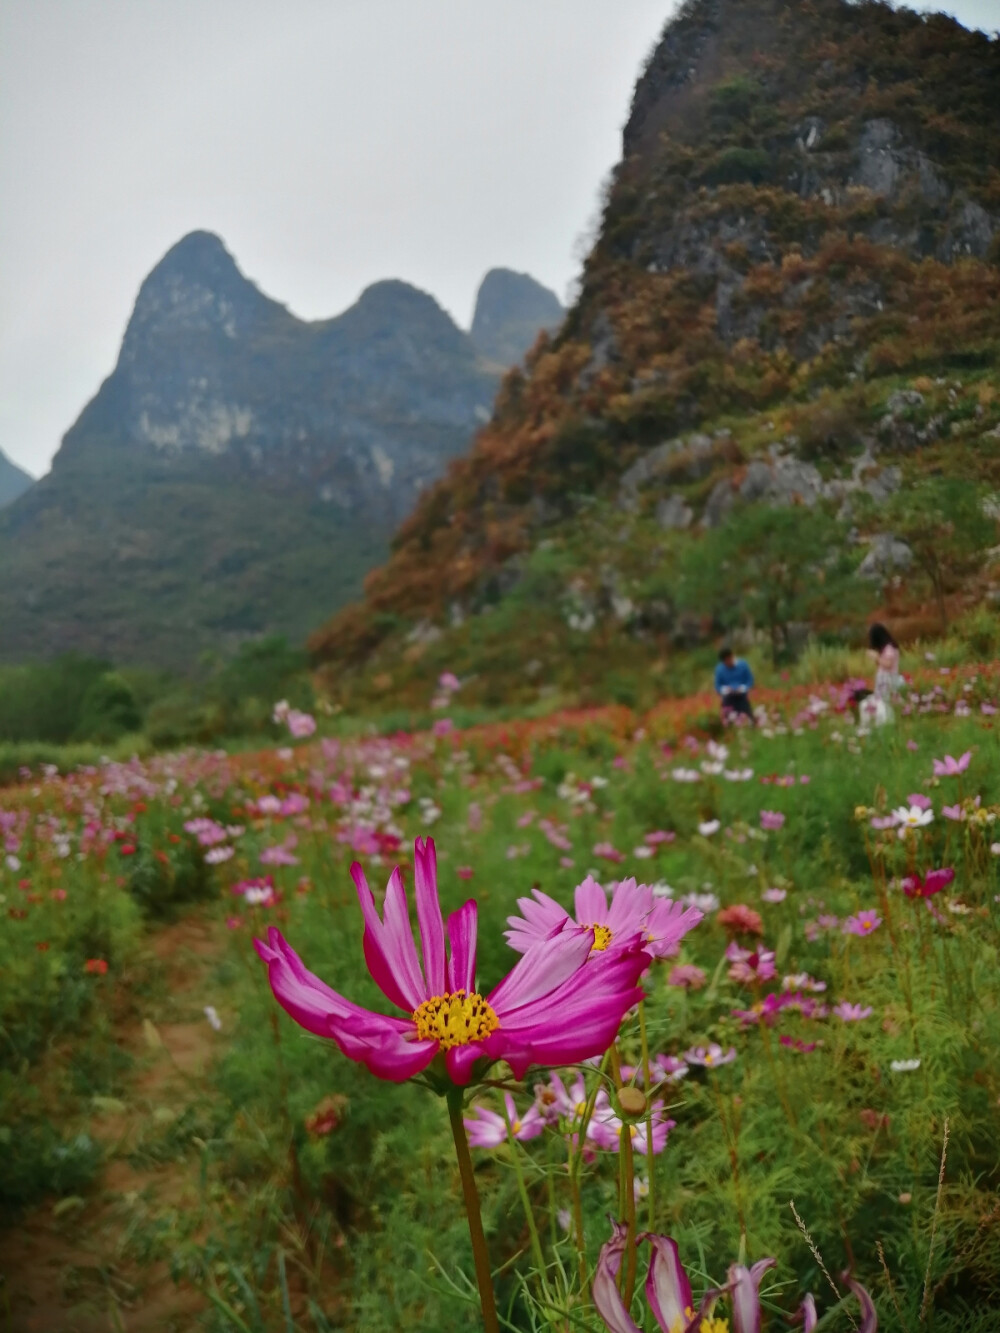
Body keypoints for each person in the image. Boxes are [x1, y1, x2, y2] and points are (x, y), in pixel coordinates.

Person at [714, 647, 755, 724]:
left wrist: (743, 688)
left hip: (742, 696)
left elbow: (750, 681)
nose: (728, 662)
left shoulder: (743, 665)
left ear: (732, 656)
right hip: (728, 698)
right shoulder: (719, 669)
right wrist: (726, 689)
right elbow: (718, 686)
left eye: (729, 659)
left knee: (749, 720)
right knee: (728, 722)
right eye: (726, 661)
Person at [868, 623, 902, 704]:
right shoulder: (885, 648)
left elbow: (888, 664)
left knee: (886, 702)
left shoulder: (889, 648)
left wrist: (876, 657)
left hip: (887, 680)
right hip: (884, 679)